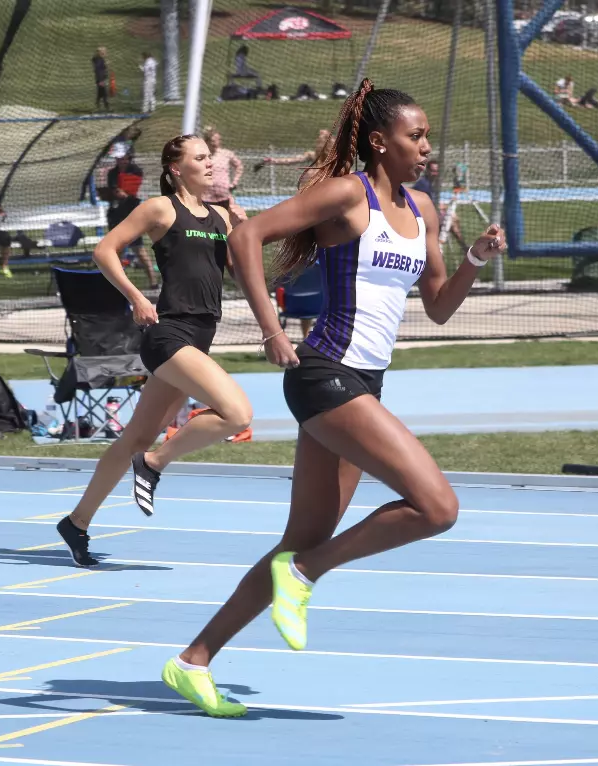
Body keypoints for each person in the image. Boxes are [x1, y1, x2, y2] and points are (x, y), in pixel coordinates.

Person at [159, 80, 507, 717]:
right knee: (438, 507)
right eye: (416, 135)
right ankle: (307, 575)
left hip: (364, 382)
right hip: (324, 372)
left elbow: (437, 308)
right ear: (381, 141)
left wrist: (475, 261)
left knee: (304, 536)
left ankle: (193, 661)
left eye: (426, 135)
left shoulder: (424, 210)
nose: (426, 146)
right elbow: (246, 238)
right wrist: (269, 329)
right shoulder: (351, 194)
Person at [55, 134, 251, 566]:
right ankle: (156, 462)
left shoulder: (220, 215)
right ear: (176, 169)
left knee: (133, 437)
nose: (210, 163)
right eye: (200, 158)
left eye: (210, 157)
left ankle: (77, 522)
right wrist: (136, 297)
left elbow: (244, 273)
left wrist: (245, 229)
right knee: (236, 414)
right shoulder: (162, 208)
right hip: (168, 335)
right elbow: (104, 250)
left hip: (200, 336)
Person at [106, 143, 158, 288]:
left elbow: (131, 190)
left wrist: (125, 193)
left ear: (128, 157)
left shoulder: (136, 171)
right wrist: (118, 192)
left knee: (138, 249)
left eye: (122, 158)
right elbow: (115, 190)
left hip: (132, 215)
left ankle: (153, 282)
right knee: (116, 250)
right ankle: (117, 283)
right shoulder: (112, 173)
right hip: (116, 215)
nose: (120, 161)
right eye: (117, 159)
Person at [256, 129, 332, 189]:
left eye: (320, 142)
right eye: (318, 142)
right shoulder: (312, 155)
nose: (318, 145)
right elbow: (291, 160)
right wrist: (273, 161)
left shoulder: (333, 158)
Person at [202, 126, 246, 222]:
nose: (216, 143)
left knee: (229, 221)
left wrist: (235, 182)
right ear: (207, 141)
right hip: (206, 197)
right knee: (208, 223)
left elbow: (239, 166)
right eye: (213, 140)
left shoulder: (226, 154)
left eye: (218, 140)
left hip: (224, 196)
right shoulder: (202, 155)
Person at [92, 47, 111, 112]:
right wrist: (101, 81)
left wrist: (106, 64)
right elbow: (98, 70)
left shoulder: (100, 59)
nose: (105, 53)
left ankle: (97, 106)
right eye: (103, 52)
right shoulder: (98, 60)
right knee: (104, 93)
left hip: (102, 78)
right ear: (99, 53)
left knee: (100, 93)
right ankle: (107, 107)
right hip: (101, 79)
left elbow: (104, 69)